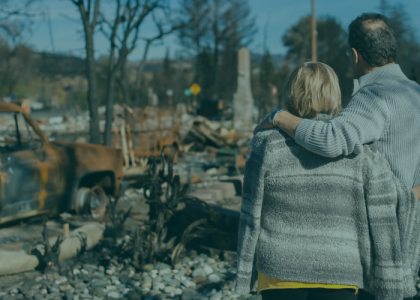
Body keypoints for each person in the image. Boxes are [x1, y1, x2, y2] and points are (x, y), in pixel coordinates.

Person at [235, 61, 420, 300]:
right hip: (341, 270)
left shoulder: (265, 143)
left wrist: (244, 271)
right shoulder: (360, 151)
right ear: (335, 93)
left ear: (290, 93)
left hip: (279, 268)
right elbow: (388, 202)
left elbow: (250, 211)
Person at [254, 13, 420, 192]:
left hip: (386, 217)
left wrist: (278, 116)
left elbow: (330, 139)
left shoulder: (375, 94)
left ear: (355, 55)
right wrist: (409, 202)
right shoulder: (415, 91)